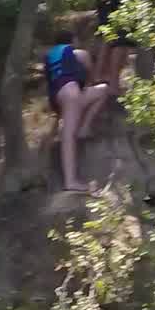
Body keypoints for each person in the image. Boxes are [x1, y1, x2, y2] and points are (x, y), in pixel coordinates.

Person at [45, 32, 116, 192]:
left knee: (103, 90)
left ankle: (84, 128)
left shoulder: (49, 56)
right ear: (72, 41)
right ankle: (70, 181)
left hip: (58, 96)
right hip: (72, 91)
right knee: (68, 136)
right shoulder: (78, 52)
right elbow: (90, 75)